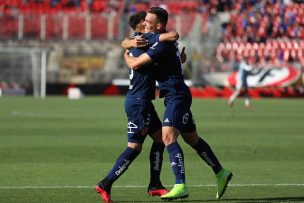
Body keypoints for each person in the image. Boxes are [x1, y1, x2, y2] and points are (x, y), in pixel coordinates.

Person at [124, 7, 233, 201]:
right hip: (175, 95)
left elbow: (135, 63)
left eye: (148, 21)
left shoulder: (161, 43)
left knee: (167, 137)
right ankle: (220, 172)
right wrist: (128, 42)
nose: (144, 23)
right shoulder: (155, 39)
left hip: (177, 96)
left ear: (158, 25)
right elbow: (131, 40)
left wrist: (126, 53)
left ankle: (180, 185)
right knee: (192, 139)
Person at [95, 11, 180, 203]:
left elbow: (126, 44)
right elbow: (171, 36)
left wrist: (126, 46)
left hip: (142, 101)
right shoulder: (144, 40)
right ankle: (106, 183)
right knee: (134, 147)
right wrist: (128, 46)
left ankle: (155, 184)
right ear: (142, 27)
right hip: (138, 103)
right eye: (147, 22)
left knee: (160, 139)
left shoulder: (137, 41)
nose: (149, 23)